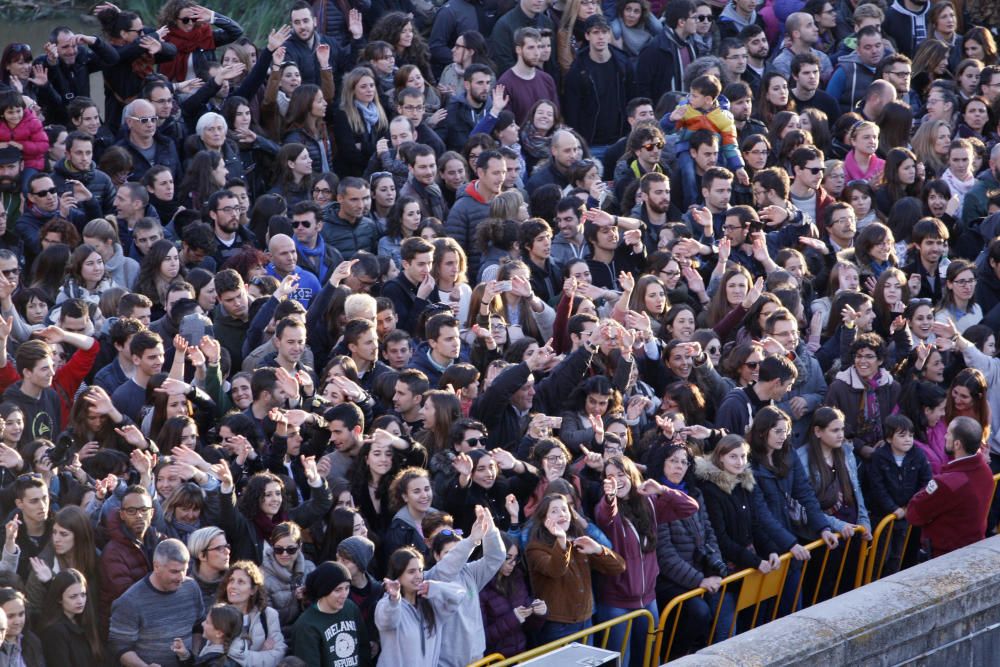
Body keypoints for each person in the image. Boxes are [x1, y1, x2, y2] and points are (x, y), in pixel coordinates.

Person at [108, 538, 205, 667]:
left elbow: (198, 627)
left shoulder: (191, 588)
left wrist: (193, 656)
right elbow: (120, 647)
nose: (181, 578)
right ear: (157, 566)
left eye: (184, 570)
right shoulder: (130, 601)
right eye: (174, 571)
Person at [907, 417, 994, 557]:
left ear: (957, 444)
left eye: (948, 433)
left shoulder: (948, 483)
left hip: (944, 556)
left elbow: (914, 513)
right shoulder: (985, 471)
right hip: (973, 550)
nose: (945, 436)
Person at [292, 560, 370, 666]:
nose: (344, 595)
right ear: (323, 590)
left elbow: (363, 647)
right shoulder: (306, 625)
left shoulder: (350, 607)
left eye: (347, 588)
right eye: (338, 590)